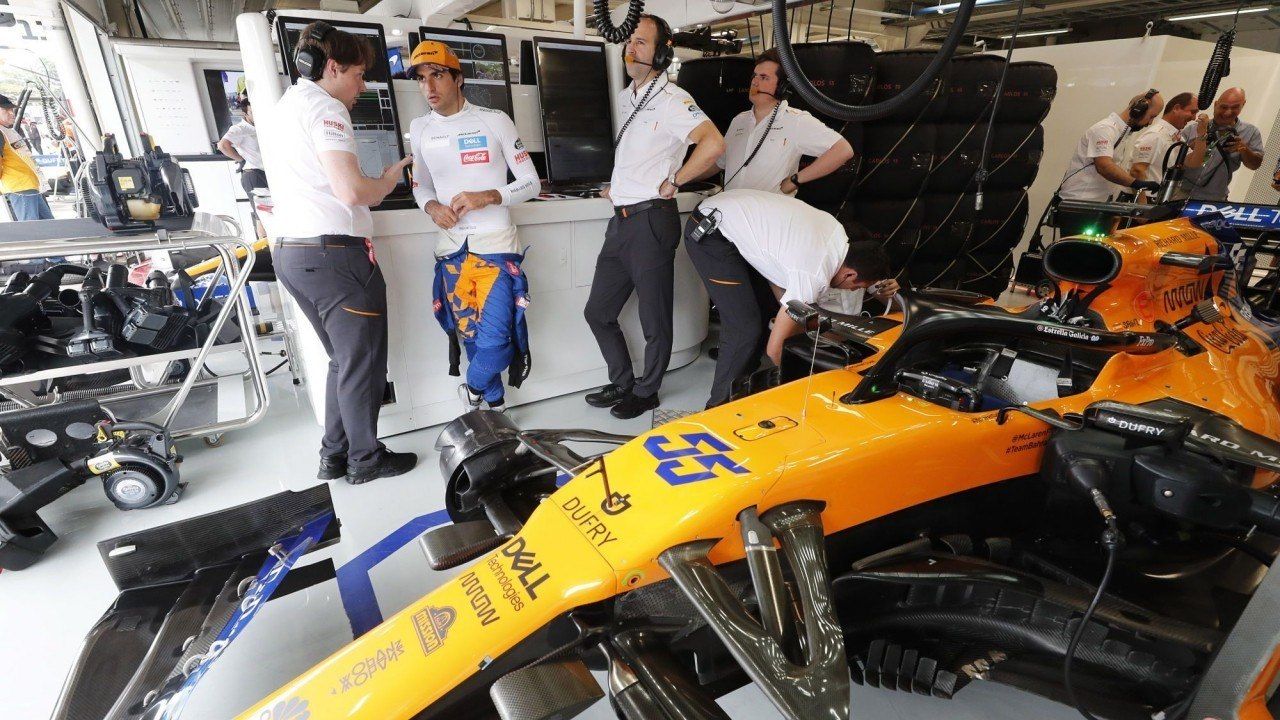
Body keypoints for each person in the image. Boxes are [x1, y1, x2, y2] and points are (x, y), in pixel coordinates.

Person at [264, 21, 416, 484]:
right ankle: (365, 462)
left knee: (342, 360)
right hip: (336, 258)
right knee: (362, 363)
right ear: (331, 67)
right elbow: (352, 190)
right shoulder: (328, 111)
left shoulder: (285, 107)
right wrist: (388, 181)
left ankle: (334, 455)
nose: (363, 86)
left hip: (292, 254)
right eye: (358, 74)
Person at [583, 13, 725, 420]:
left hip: (651, 220)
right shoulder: (629, 96)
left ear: (662, 52)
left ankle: (647, 391)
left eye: (641, 43)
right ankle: (623, 381)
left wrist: (676, 180)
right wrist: (618, 183)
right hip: (621, 218)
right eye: (629, 43)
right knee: (598, 311)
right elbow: (638, 152)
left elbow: (712, 145)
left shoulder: (674, 100)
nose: (631, 49)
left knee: (653, 316)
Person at [407, 41, 540, 414]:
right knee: (471, 338)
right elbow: (421, 185)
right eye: (421, 78)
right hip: (451, 249)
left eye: (437, 75)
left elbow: (532, 182)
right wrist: (431, 206)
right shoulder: (419, 128)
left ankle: (473, 389)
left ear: (458, 78)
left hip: (495, 248)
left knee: (497, 341)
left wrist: (490, 196)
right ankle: (494, 406)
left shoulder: (493, 119)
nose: (429, 86)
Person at [686, 189, 897, 409]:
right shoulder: (814, 273)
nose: (853, 292)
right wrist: (804, 389)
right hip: (711, 229)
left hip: (732, 214)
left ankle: (741, 388)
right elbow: (775, 350)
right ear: (850, 274)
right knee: (744, 328)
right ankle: (717, 409)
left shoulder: (837, 236)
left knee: (763, 313)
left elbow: (780, 279)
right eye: (856, 288)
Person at [709, 49, 854, 194]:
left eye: (764, 77)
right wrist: (688, 176)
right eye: (754, 76)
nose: (754, 82)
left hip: (769, 213)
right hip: (733, 210)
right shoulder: (739, 121)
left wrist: (795, 180)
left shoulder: (796, 120)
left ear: (782, 87)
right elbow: (720, 162)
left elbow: (843, 150)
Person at [1058, 90, 1165, 202]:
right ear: (1139, 110)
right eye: (1151, 116)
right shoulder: (1105, 129)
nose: (1150, 123)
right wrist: (1136, 183)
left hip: (1097, 202)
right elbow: (1104, 166)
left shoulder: (1123, 133)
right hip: (1078, 201)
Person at [1178, 88, 1265, 202]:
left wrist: (1244, 149)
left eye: (1235, 108)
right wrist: (1197, 143)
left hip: (1214, 198)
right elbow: (1174, 159)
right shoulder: (1194, 128)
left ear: (1243, 105)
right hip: (1179, 194)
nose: (1228, 112)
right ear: (1215, 105)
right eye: (1223, 107)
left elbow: (1255, 165)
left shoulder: (1251, 132)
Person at [1129, 92, 1208, 199]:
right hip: (1141, 199)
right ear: (1176, 108)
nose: (1194, 118)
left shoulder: (1176, 136)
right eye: (1192, 112)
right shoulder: (1156, 134)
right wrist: (1142, 208)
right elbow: (1137, 171)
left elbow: (1194, 162)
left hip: (1157, 199)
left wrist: (1202, 134)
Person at [217, 95, 268, 237]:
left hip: (265, 173)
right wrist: (241, 159)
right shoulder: (240, 128)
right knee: (262, 215)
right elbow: (222, 145)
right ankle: (267, 248)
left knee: (270, 212)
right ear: (246, 113)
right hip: (253, 175)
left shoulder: (260, 127)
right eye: (253, 112)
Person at [0, 94, 53, 221]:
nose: (11, 113)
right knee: (31, 226)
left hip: (29, 185)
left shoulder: (7, 131)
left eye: (12, 110)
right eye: (6, 110)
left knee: (49, 224)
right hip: (19, 187)